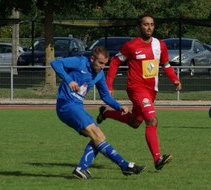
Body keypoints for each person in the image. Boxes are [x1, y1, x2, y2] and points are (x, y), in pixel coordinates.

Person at [96, 14, 182, 170]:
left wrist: (175, 79)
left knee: (134, 123)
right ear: (139, 27)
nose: (149, 27)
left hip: (151, 91)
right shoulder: (131, 46)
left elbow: (166, 64)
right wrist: (109, 85)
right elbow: (115, 62)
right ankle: (157, 159)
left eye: (151, 24)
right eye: (145, 24)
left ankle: (105, 113)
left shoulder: (160, 45)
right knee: (152, 120)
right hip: (136, 89)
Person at [51, 46, 146, 180]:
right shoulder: (79, 62)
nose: (102, 67)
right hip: (66, 105)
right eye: (100, 63)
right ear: (92, 59)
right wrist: (68, 80)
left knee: (99, 137)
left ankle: (82, 169)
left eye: (104, 64)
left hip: (77, 107)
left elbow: (105, 96)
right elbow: (55, 63)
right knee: (97, 135)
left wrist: (118, 106)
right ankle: (124, 165)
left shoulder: (99, 74)